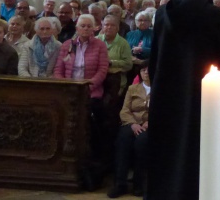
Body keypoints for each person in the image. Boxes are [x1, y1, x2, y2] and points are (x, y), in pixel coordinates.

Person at [146, 0, 220, 200]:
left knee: (169, 151)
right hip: (202, 100)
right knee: (201, 154)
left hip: (167, 97)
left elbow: (154, 58)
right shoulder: (213, 14)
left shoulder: (162, 13)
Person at [54, 14, 110, 189]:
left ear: (94, 28)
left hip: (90, 93)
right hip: (69, 93)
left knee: (89, 124)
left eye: (88, 26)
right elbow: (58, 69)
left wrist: (87, 87)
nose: (85, 29)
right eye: (82, 26)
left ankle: (88, 166)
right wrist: (67, 87)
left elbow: (102, 70)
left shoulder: (99, 45)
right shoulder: (66, 45)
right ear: (77, 28)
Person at [109, 60, 152, 198]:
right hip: (131, 123)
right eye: (143, 70)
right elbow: (125, 110)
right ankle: (120, 184)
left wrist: (148, 122)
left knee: (142, 142)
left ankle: (139, 184)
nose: (146, 72)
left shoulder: (161, 90)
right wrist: (133, 124)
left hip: (148, 126)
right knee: (123, 140)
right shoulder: (132, 89)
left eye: (148, 70)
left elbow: (163, 110)